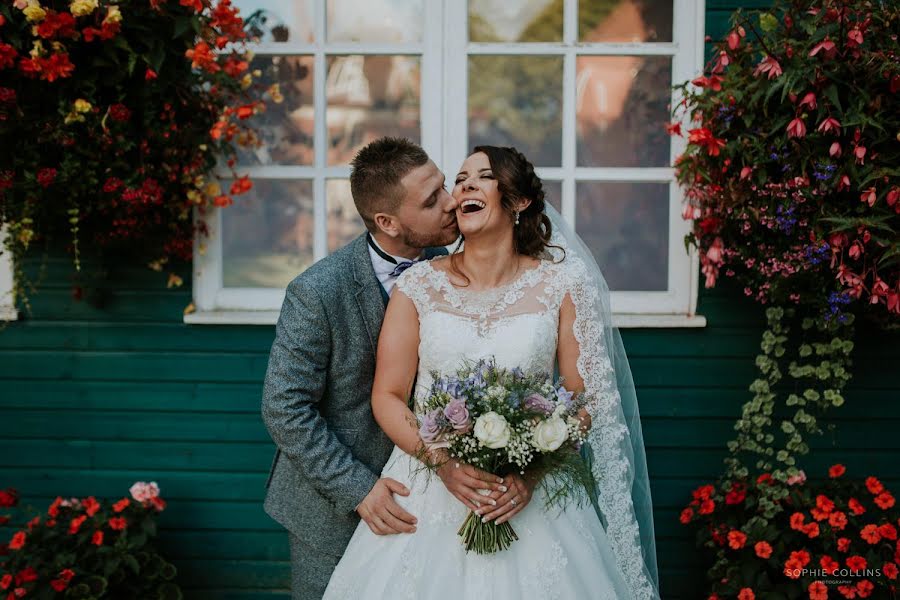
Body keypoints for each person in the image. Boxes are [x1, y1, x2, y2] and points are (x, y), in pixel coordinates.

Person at [322, 146, 661, 599]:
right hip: (429, 489)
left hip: (534, 496)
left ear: (519, 202)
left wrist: (532, 473)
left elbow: (585, 395)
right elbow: (387, 395)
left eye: (481, 177)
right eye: (459, 180)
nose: (463, 187)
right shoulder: (418, 286)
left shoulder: (562, 284)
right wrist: (443, 465)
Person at [261, 137, 506, 600]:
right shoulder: (317, 292)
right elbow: (283, 408)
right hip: (334, 507)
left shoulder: (457, 269)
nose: (452, 202)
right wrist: (358, 489)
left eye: (444, 185)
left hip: (436, 499)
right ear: (388, 222)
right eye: (431, 200)